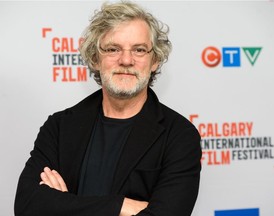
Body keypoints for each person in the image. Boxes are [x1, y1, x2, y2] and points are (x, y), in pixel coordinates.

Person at [14, 1, 202, 216]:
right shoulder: (59, 127)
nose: (126, 60)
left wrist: (65, 204)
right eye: (113, 49)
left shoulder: (179, 136)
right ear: (95, 58)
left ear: (155, 61)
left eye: (139, 50)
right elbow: (27, 206)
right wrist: (121, 206)